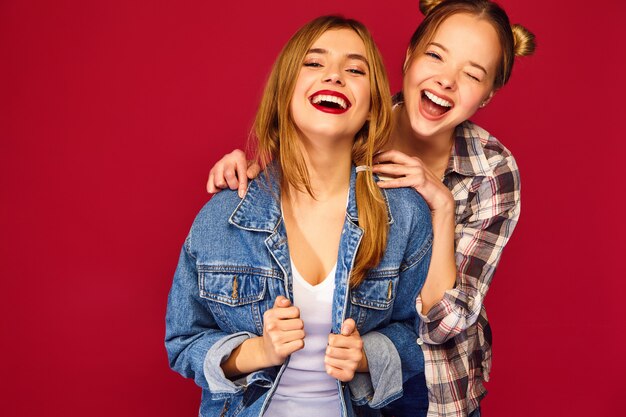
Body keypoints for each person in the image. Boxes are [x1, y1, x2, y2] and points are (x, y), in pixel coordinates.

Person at [205, 1, 536, 416]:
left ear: (487, 96)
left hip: (439, 384)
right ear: (409, 56)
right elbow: (293, 168)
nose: (447, 80)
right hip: (350, 382)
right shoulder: (353, 119)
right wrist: (251, 168)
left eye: (472, 75)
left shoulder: (492, 172)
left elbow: (442, 325)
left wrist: (442, 206)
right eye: (435, 55)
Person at [165, 15, 434, 417]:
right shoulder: (223, 216)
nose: (335, 76)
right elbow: (183, 342)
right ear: (284, 91)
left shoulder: (405, 214)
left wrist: (367, 356)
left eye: (355, 69)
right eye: (314, 63)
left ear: (373, 107)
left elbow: (424, 337)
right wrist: (259, 350)